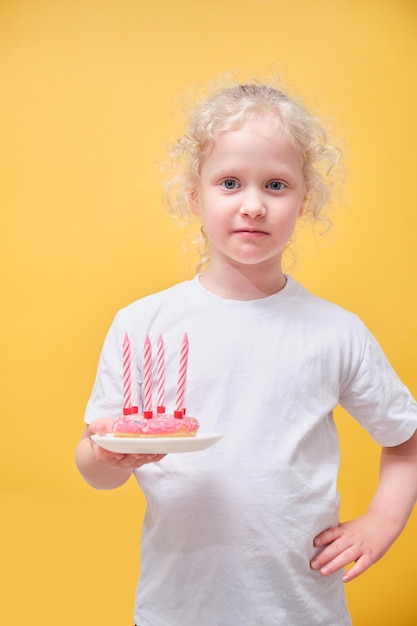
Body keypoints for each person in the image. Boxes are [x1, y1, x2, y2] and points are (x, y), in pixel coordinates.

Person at [75, 81, 417, 626]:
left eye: (276, 185)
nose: (253, 205)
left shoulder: (336, 332)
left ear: (304, 200)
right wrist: (107, 458)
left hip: (303, 610)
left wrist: (382, 521)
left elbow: (406, 440)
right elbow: (97, 470)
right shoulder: (142, 325)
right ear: (195, 195)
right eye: (230, 182)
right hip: (177, 609)